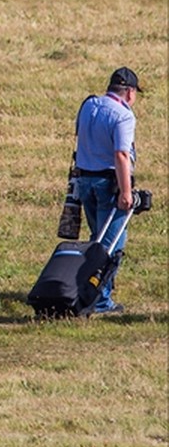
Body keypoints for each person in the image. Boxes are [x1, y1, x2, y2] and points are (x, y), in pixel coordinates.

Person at [74, 66, 142, 315]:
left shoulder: (89, 106)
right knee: (111, 246)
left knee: (96, 239)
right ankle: (100, 300)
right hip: (108, 184)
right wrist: (126, 192)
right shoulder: (124, 116)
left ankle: (87, 288)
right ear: (130, 92)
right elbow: (122, 155)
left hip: (85, 181)